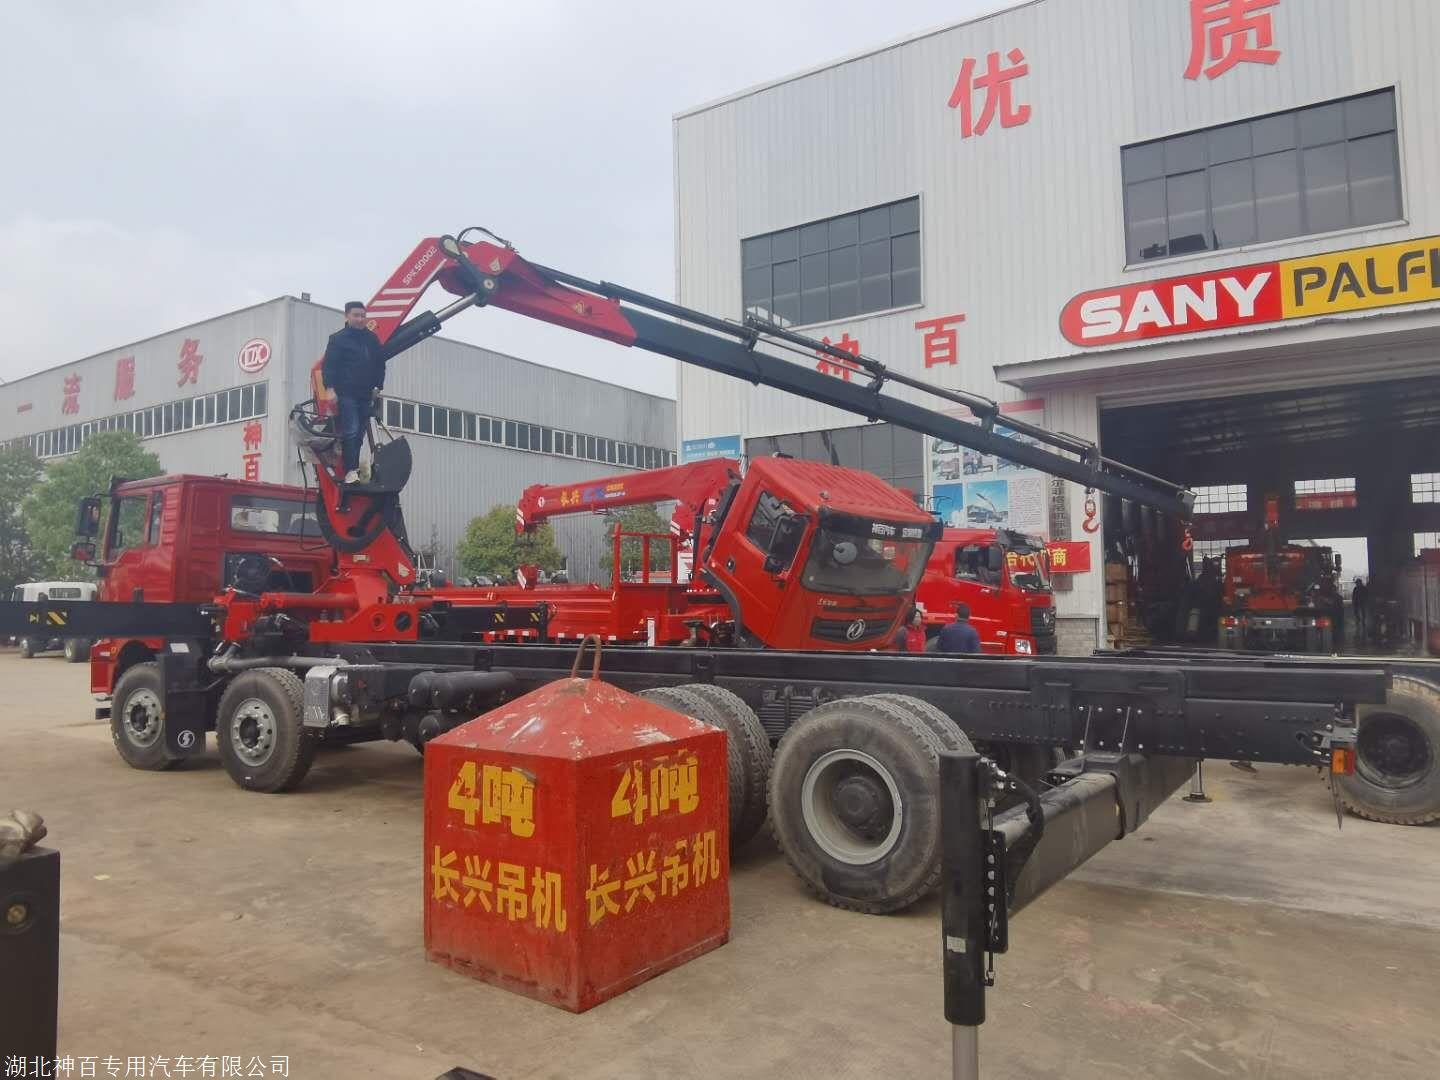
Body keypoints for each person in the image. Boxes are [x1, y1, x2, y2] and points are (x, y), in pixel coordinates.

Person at [321, 301, 386, 484]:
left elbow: (380, 364)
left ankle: (354, 469)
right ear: (347, 316)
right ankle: (350, 471)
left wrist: (378, 386)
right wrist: (330, 388)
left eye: (363, 316)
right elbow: (329, 366)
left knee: (359, 436)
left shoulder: (372, 339)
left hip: (366, 395)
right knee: (350, 430)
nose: (360, 319)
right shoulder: (338, 339)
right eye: (356, 315)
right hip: (346, 394)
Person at [1351, 577, 1370, 641]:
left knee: (1362, 613)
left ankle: (1361, 623)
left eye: (1357, 583)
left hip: (1361, 603)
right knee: (1358, 613)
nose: (1357, 584)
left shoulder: (1360, 588)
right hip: (1359, 603)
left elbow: (1366, 595)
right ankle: (1359, 622)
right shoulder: (1359, 588)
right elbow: (1354, 596)